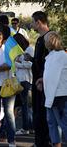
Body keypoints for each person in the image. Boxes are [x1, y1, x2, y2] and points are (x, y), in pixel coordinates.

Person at [30, 11, 52, 147]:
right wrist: (31, 59)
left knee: (45, 115)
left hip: (45, 83)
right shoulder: (39, 39)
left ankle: (47, 142)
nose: (31, 24)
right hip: (36, 81)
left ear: (38, 22)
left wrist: (43, 79)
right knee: (37, 114)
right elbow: (39, 61)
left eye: (33, 22)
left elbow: (51, 62)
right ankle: (39, 142)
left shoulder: (50, 37)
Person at [43, 32, 67, 147]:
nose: (44, 42)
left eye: (46, 40)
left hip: (58, 96)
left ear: (50, 41)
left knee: (63, 124)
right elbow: (49, 76)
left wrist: (49, 99)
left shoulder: (60, 56)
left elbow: (53, 78)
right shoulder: (51, 56)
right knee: (52, 124)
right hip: (52, 96)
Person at [14, 33, 34, 135]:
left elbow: (29, 64)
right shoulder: (20, 51)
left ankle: (25, 128)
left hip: (26, 80)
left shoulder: (29, 50)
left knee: (26, 105)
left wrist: (16, 63)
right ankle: (30, 127)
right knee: (26, 106)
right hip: (21, 80)